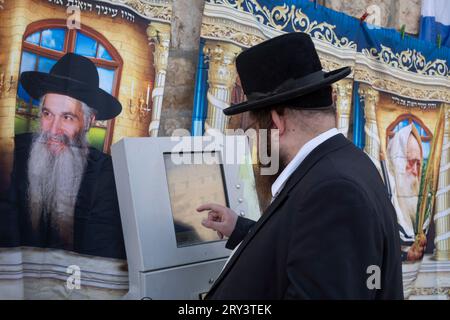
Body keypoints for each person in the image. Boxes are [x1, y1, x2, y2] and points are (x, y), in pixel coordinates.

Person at [197, 32, 404, 299]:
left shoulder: (334, 191)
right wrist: (242, 230)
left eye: (253, 129)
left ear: (275, 123)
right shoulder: (343, 164)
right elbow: (310, 252)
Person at [0, 53, 126, 260]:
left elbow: (102, 252)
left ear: (88, 122)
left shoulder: (107, 175)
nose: (53, 130)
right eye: (47, 114)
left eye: (67, 117)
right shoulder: (13, 155)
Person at [387, 124, 426, 261]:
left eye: (418, 164)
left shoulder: (425, 210)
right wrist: (405, 255)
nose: (416, 172)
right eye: (410, 162)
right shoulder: (383, 198)